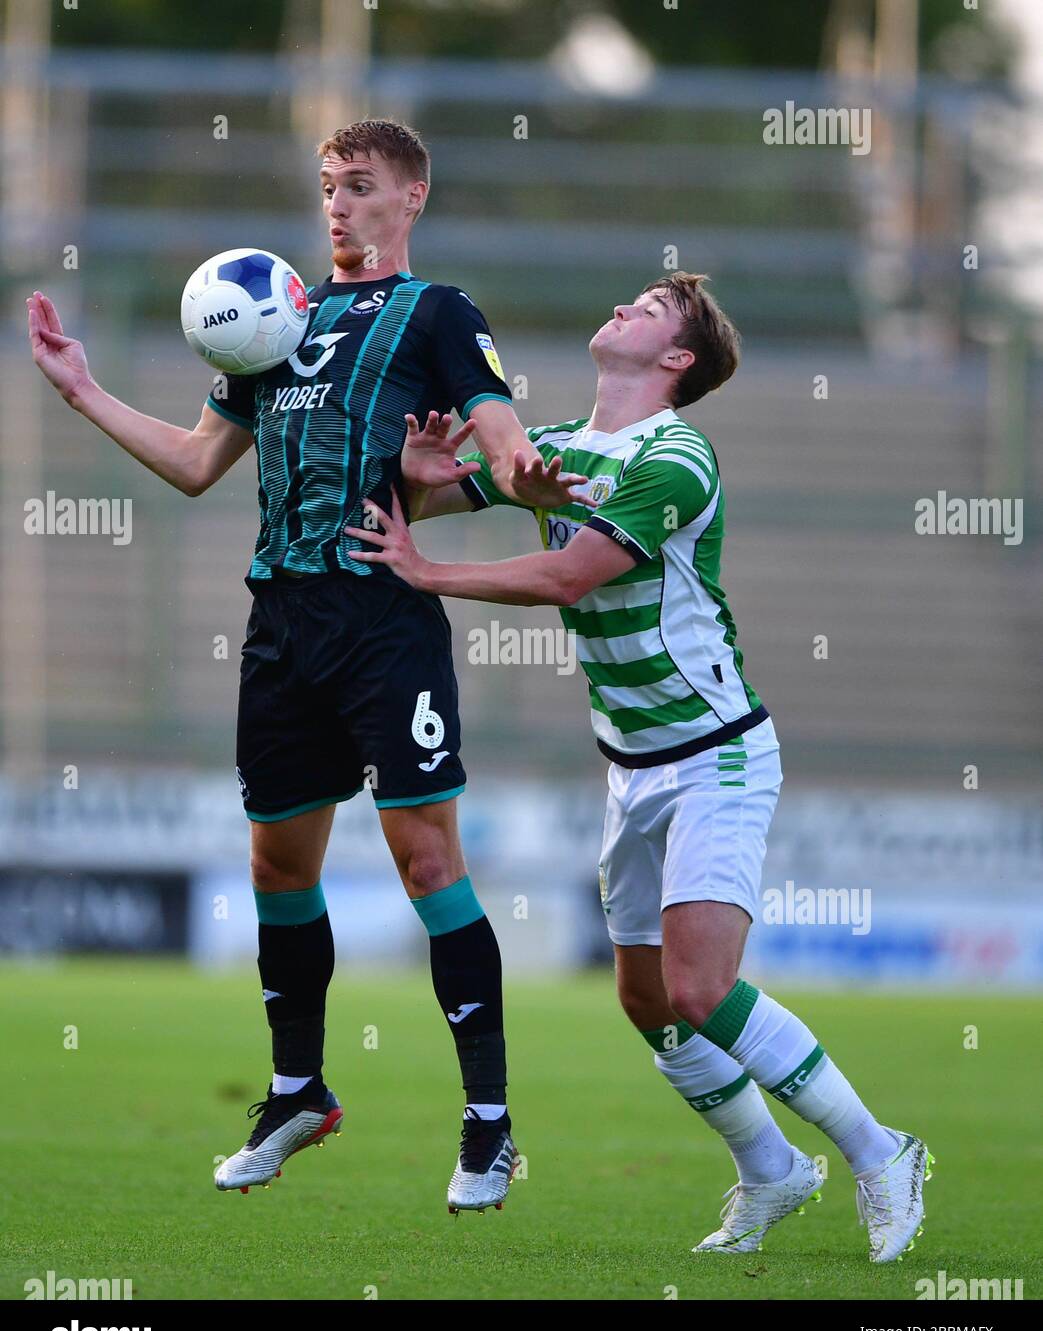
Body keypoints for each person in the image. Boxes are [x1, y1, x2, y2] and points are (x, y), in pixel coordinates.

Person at [26, 118, 580, 1213]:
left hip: (382, 615)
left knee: (427, 862)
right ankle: (296, 1093)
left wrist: (523, 472)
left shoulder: (436, 313)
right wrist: (83, 390)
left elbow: (500, 437)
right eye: (327, 185)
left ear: (410, 198)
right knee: (278, 867)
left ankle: (487, 1122)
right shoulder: (274, 315)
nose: (336, 204)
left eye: (360, 186)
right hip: (281, 622)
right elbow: (194, 464)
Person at [345, 271, 933, 1261]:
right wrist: (415, 470)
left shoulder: (678, 457)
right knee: (644, 997)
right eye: (626, 298)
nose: (622, 307)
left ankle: (882, 1154)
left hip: (714, 754)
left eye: (650, 310)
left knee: (700, 987)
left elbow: (567, 574)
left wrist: (427, 573)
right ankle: (770, 1169)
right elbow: (428, 500)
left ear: (674, 361)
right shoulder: (560, 444)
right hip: (628, 764)